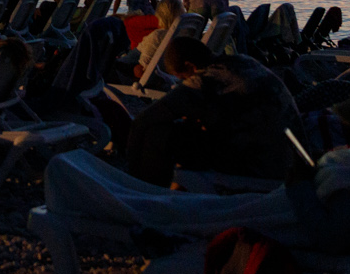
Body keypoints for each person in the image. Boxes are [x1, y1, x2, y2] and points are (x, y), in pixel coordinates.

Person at [46, 65, 350, 255]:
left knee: (185, 213)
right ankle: (102, 183)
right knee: (190, 205)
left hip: (278, 223)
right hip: (275, 207)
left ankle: (81, 182)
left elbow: (330, 236)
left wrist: (301, 182)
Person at [116, 40, 300, 185]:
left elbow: (143, 120)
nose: (184, 82)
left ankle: (144, 190)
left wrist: (130, 168)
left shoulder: (206, 79)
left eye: (182, 78)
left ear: (190, 67)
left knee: (159, 134)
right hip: (291, 160)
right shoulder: (244, 62)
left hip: (263, 168)